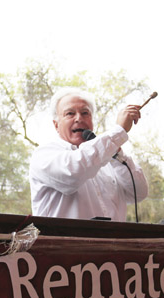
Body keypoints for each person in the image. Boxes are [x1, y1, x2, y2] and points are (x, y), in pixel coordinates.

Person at [29, 88, 148, 221]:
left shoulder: (106, 157)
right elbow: (73, 172)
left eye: (85, 113)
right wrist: (118, 132)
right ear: (56, 125)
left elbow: (139, 194)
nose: (79, 118)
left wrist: (116, 151)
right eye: (70, 113)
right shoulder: (44, 154)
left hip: (113, 241)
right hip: (65, 241)